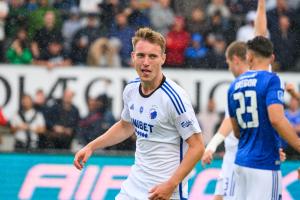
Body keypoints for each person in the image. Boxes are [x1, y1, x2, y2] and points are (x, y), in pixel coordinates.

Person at [74, 27, 205, 200]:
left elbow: (197, 147)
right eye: (141, 55)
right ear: (133, 57)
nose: (146, 62)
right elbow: (125, 126)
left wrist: (171, 185)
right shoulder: (131, 89)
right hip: (134, 186)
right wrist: (92, 146)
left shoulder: (174, 98)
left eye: (153, 56)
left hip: (163, 191)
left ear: (163, 59)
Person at [202, 1, 269, 199]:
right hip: (232, 154)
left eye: (227, 61)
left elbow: (260, 34)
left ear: (236, 59)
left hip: (246, 157)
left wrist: (262, 5)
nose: (227, 65)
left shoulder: (258, 76)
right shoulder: (237, 86)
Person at [227, 36, 300, 199]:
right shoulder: (272, 79)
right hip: (264, 164)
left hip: (241, 163)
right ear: (272, 58)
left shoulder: (234, 85)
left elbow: (237, 132)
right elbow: (276, 119)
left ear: (249, 57)